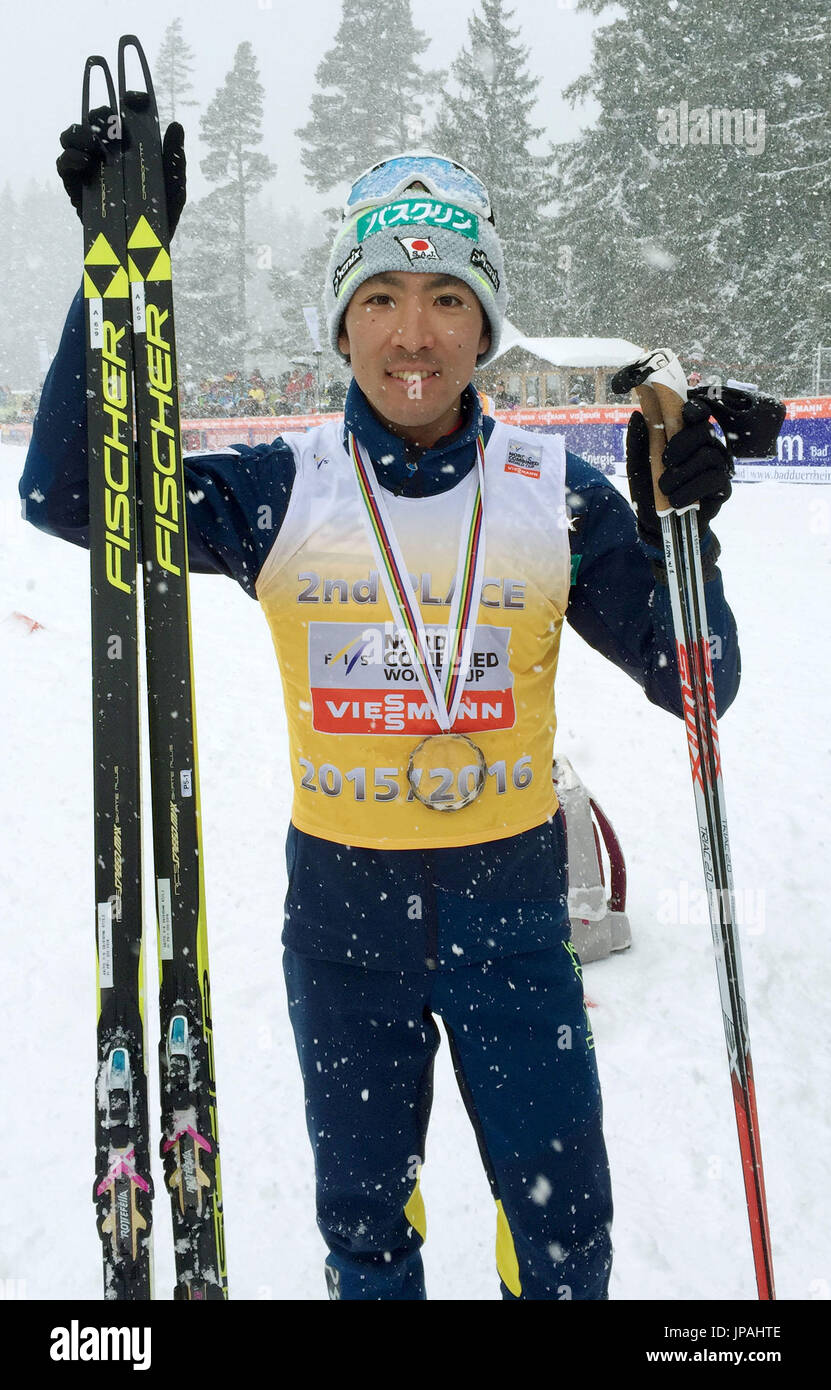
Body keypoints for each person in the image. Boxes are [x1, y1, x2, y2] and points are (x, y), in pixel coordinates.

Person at [22, 141, 739, 1301]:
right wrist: (113, 267)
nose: (416, 335)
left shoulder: (554, 489)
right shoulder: (277, 490)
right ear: (343, 326)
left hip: (513, 919)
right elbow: (66, 493)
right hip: (346, 925)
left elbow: (699, 681)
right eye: (383, 299)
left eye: (450, 297)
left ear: (487, 322)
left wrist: (683, 526)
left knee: (562, 1239)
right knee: (367, 1234)